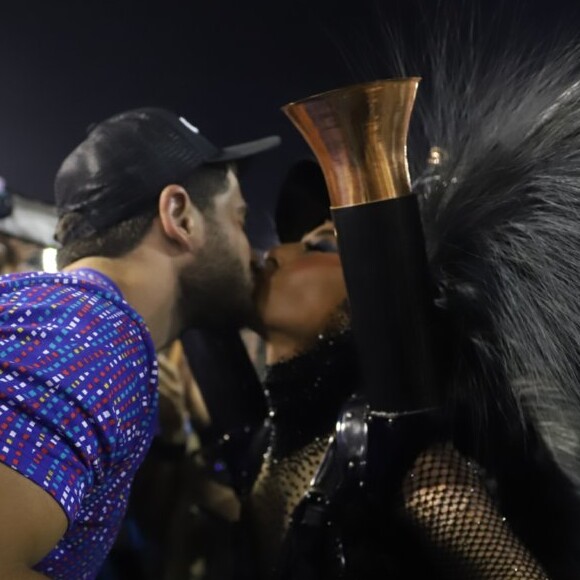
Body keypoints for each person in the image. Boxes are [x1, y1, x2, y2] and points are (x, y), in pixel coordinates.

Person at [238, 49, 580, 578]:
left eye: (319, 247)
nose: (275, 254)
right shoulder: (270, 440)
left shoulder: (412, 465)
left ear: (365, 306)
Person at [0, 106, 279, 579]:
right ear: (179, 216)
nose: (251, 253)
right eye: (238, 218)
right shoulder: (92, 332)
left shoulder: (63, 312)